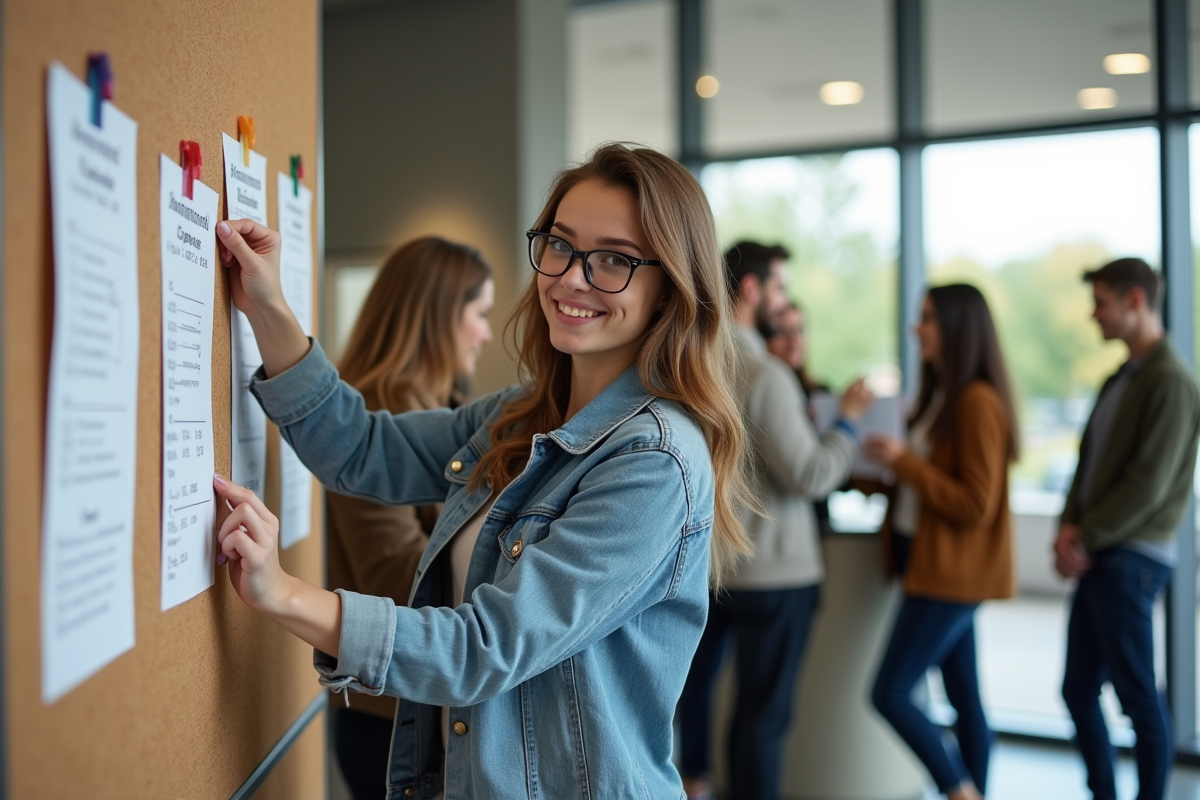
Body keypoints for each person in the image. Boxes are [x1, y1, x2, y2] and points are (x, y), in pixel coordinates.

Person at [210, 143, 755, 799]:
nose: (572, 278)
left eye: (613, 259)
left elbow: (485, 649)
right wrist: (267, 306)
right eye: (560, 245)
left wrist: (281, 592)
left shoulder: (655, 460)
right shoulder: (522, 416)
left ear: (669, 287)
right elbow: (358, 448)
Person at [677, 241, 873, 800]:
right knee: (763, 721)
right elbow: (810, 475)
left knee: (710, 702)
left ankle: (697, 782)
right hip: (777, 575)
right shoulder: (765, 375)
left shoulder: (697, 365)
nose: (784, 301)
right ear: (752, 290)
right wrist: (849, 426)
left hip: (716, 568)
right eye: (780, 288)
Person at [328, 237, 494, 800]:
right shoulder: (380, 414)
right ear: (440, 316)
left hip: (425, 702)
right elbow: (391, 577)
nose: (487, 333)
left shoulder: (443, 409)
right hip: (390, 723)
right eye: (480, 314)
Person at [862, 284, 1018, 800]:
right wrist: (877, 470)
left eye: (926, 318)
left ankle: (958, 790)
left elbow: (976, 503)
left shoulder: (977, 402)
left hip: (951, 573)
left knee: (890, 692)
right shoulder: (940, 395)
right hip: (928, 563)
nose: (916, 329)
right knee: (964, 696)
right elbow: (923, 482)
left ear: (956, 327)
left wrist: (905, 464)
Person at [1054, 258, 1200, 800]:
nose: (1094, 315)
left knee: (1139, 699)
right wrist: (1069, 527)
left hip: (1130, 559)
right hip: (1100, 553)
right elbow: (1087, 462)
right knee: (1077, 691)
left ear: (1136, 301)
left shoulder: (1172, 382)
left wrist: (1084, 536)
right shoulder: (1122, 377)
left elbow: (1149, 484)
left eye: (1102, 303)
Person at [763, 301, 836, 535]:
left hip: (817, 518)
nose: (794, 341)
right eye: (783, 333)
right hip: (780, 528)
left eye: (800, 331)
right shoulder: (761, 390)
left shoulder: (822, 393)